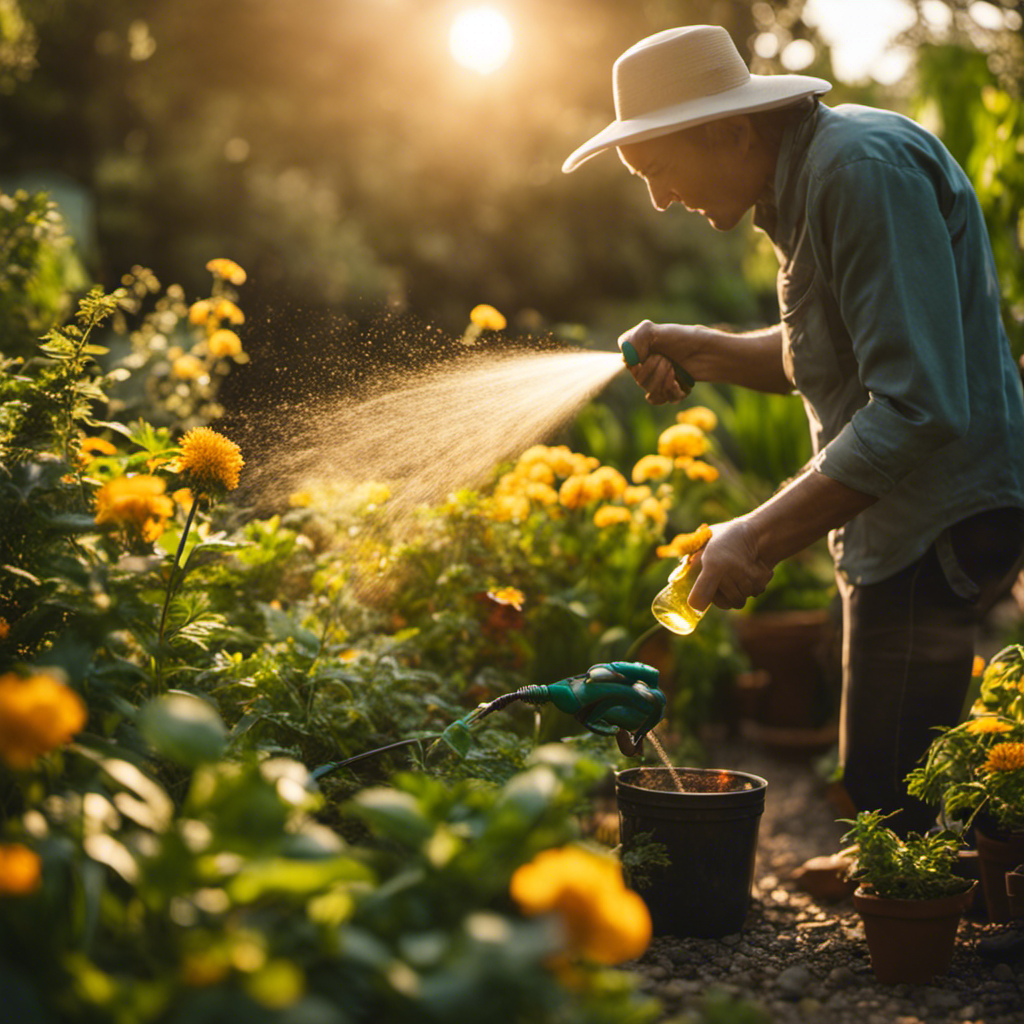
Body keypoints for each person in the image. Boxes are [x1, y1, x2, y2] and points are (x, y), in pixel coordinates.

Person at [563, 24, 1024, 836]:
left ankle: (937, 910)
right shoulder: (802, 182)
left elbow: (918, 405)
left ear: (733, 131)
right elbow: (831, 355)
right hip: (893, 519)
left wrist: (757, 533)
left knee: (894, 782)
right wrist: (705, 349)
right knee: (874, 764)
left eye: (659, 169)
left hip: (943, 511)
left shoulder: (858, 173)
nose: (659, 200)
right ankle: (902, 879)